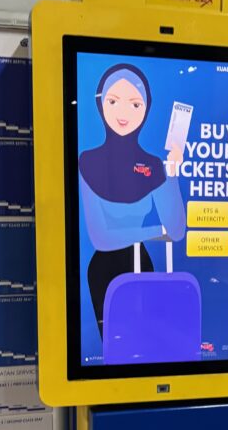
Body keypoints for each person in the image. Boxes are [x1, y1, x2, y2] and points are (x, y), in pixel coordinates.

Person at [78, 63, 186, 336]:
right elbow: (100, 237)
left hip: (142, 270)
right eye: (114, 101)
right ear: (101, 104)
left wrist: (171, 174)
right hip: (105, 275)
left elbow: (176, 230)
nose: (124, 113)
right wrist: (153, 231)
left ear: (146, 109)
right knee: (116, 355)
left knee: (147, 347)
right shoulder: (88, 161)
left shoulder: (155, 165)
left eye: (135, 104)